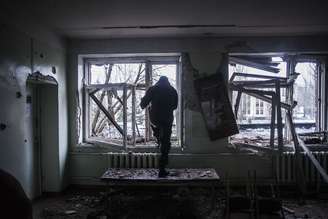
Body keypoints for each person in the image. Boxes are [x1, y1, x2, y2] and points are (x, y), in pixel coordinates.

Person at [140, 76, 178, 177]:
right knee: (166, 144)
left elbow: (143, 104)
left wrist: (147, 103)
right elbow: (175, 106)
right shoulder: (173, 90)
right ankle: (162, 169)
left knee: (157, 127)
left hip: (155, 118)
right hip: (167, 120)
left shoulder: (153, 89)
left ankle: (156, 133)